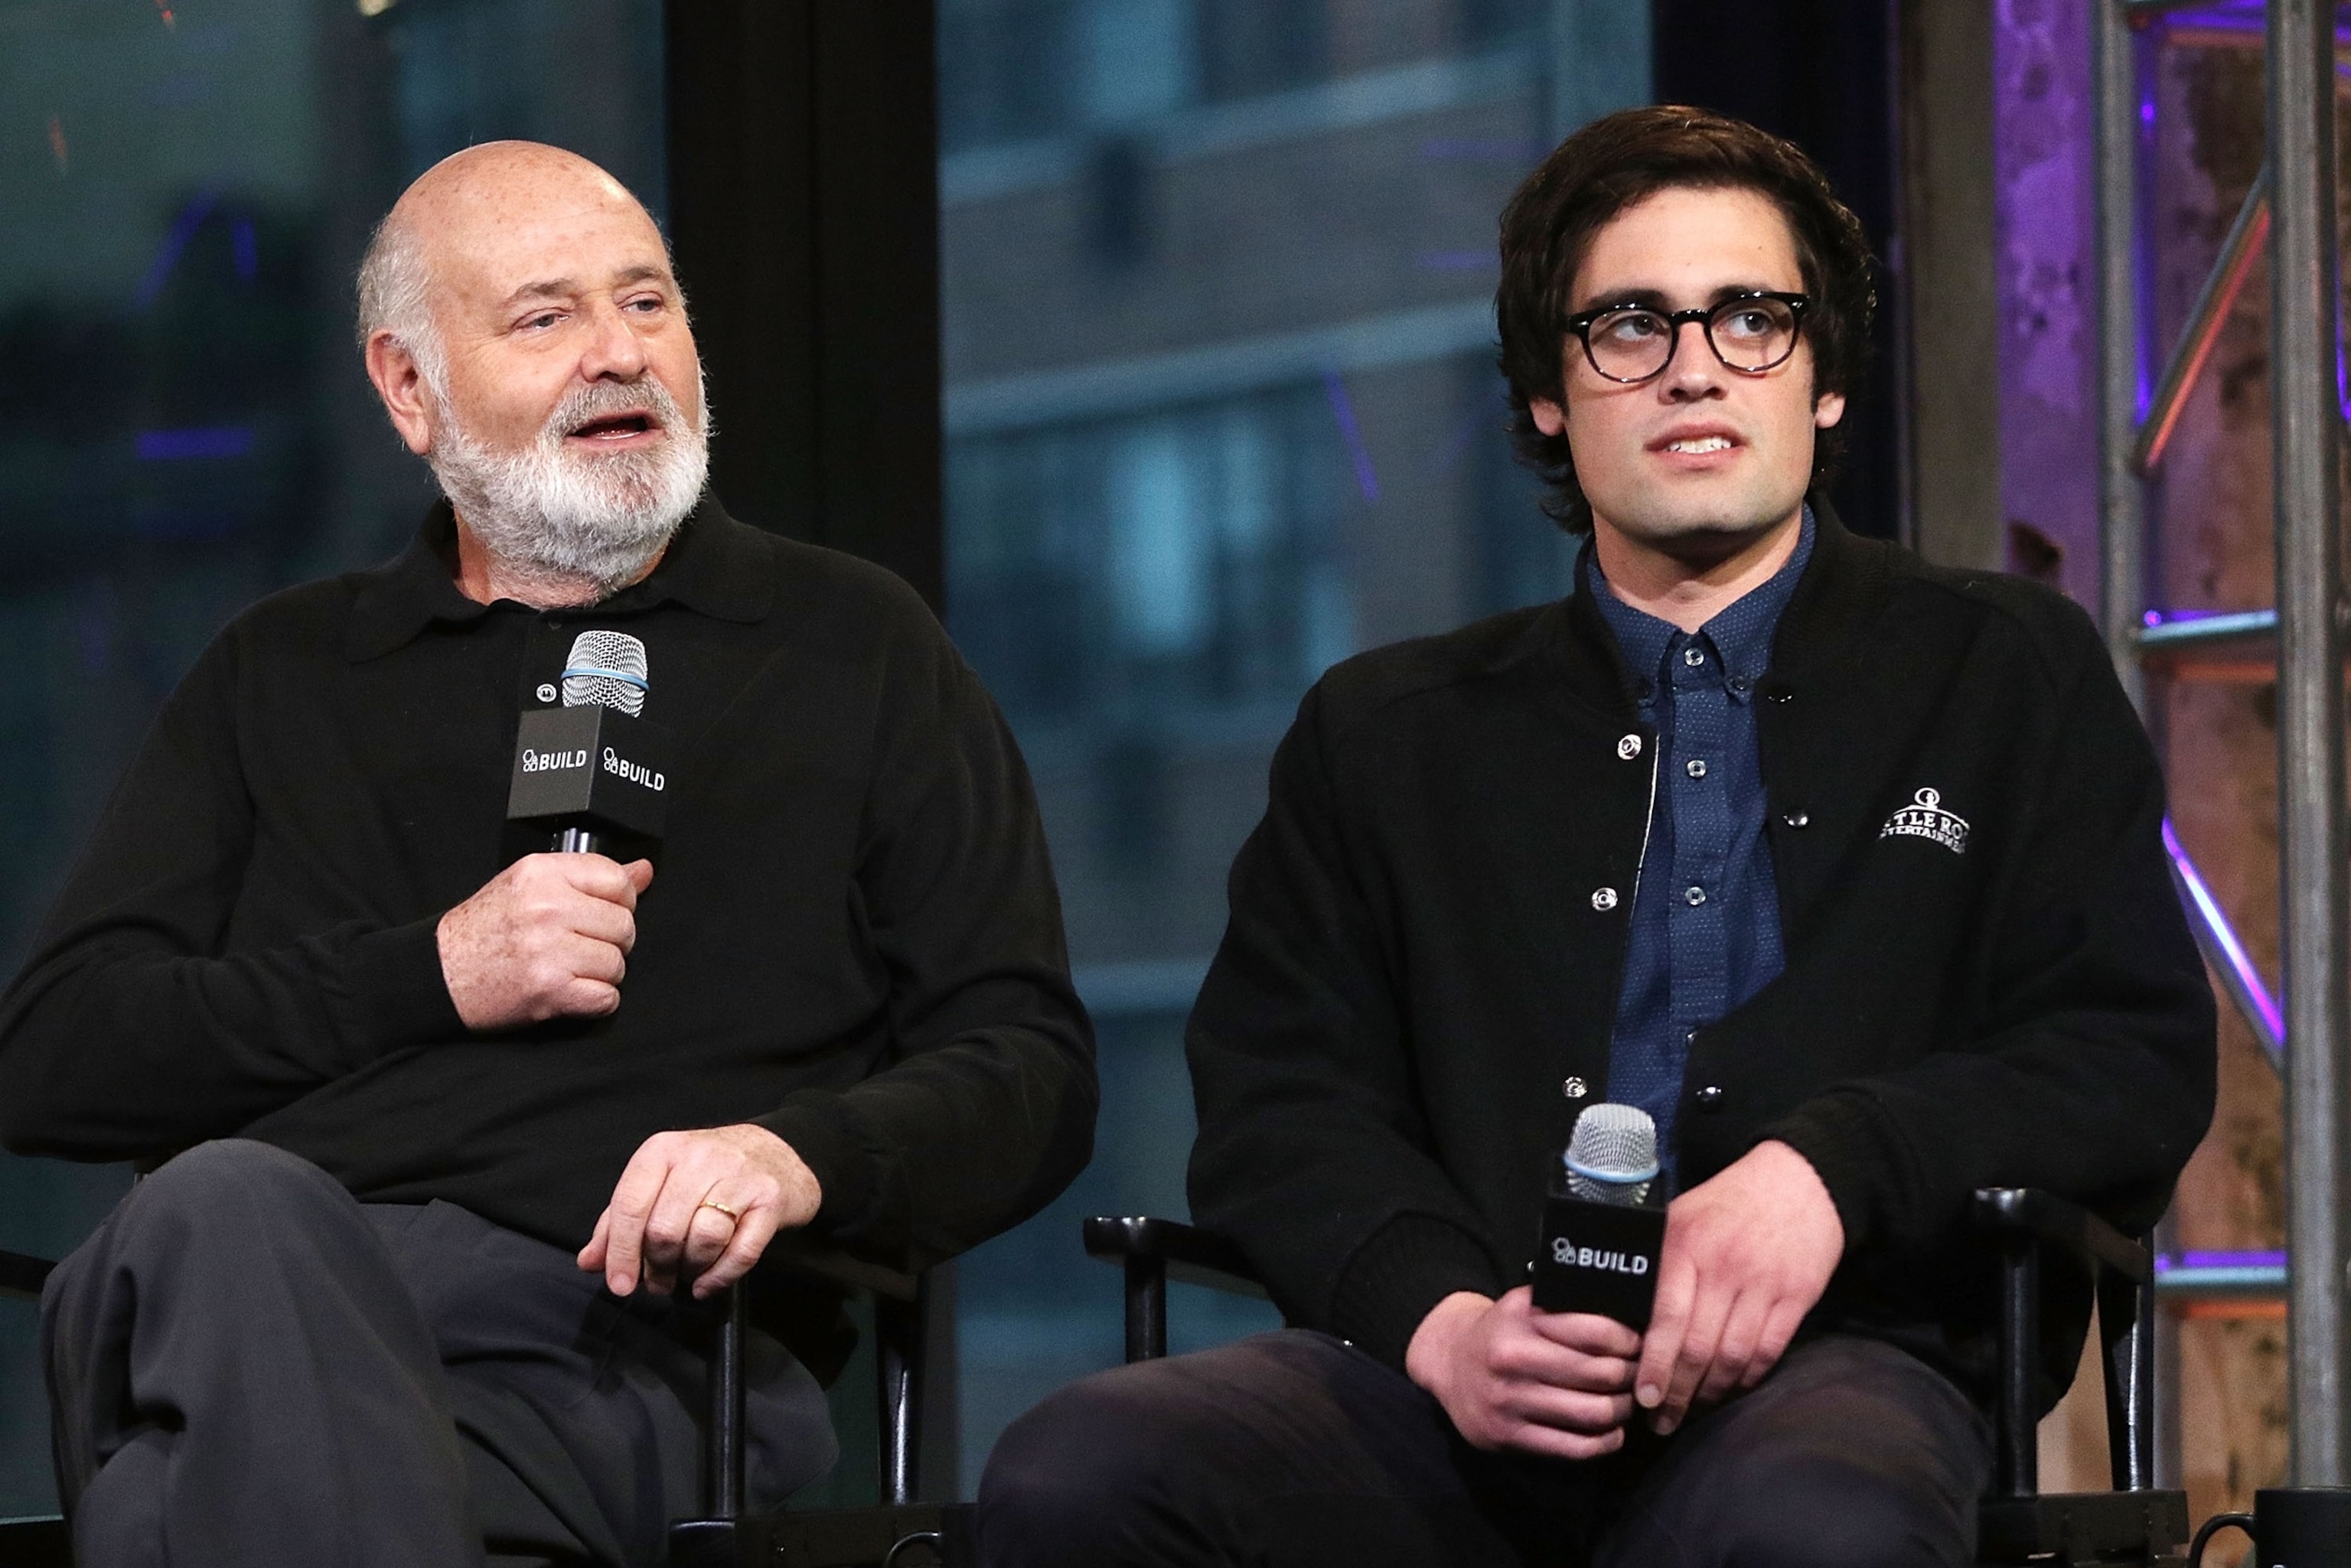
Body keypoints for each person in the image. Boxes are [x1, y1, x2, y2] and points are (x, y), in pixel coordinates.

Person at [974, 105, 2214, 1567]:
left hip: (1837, 1366)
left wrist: (1830, 1168)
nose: (1693, 364)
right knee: (1078, 1470)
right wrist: (1440, 1322)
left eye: (1752, 317)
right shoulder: (1387, 732)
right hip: (1457, 1381)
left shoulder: (2004, 669)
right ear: (1550, 396)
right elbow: (1278, 1107)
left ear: (1824, 381)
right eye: (1629, 324)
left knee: (1816, 1524)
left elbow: (2127, 1052)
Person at [0, 141, 1096, 1568]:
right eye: (546, 316)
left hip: (613, 1359)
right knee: (227, 1211)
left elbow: (1031, 1064)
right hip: (235, 1299)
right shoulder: (279, 673)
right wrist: (434, 973)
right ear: (409, 388)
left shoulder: (850, 645)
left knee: (161, 1509)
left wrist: (799, 1151)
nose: (618, 355)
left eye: (648, 305)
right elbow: (56, 1052)